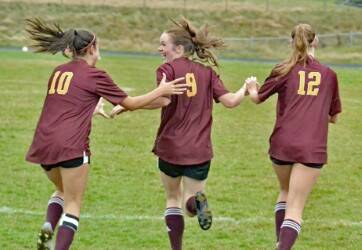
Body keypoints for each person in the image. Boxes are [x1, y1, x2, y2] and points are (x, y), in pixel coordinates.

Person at [24, 18, 186, 250]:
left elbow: (64, 108)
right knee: (73, 204)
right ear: (91, 48)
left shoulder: (58, 71)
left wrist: (91, 110)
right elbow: (129, 103)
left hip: (43, 144)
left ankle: (49, 224)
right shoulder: (95, 75)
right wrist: (161, 90)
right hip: (70, 146)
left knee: (61, 191)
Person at [112, 17, 248, 250]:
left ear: (179, 49)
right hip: (199, 149)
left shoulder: (167, 69)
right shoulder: (207, 73)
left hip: (171, 146)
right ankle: (198, 202)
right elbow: (231, 102)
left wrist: (129, 105)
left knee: (172, 199)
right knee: (190, 206)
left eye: (163, 44)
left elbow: (163, 100)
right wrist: (247, 86)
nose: (159, 49)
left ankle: (176, 247)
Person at [245, 23, 342, 250]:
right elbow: (334, 117)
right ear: (315, 41)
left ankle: (279, 242)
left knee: (285, 192)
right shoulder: (329, 75)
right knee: (296, 206)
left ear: (292, 42)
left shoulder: (283, 69)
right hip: (311, 146)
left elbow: (257, 98)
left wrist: (251, 87)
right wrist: (315, 114)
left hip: (282, 143)